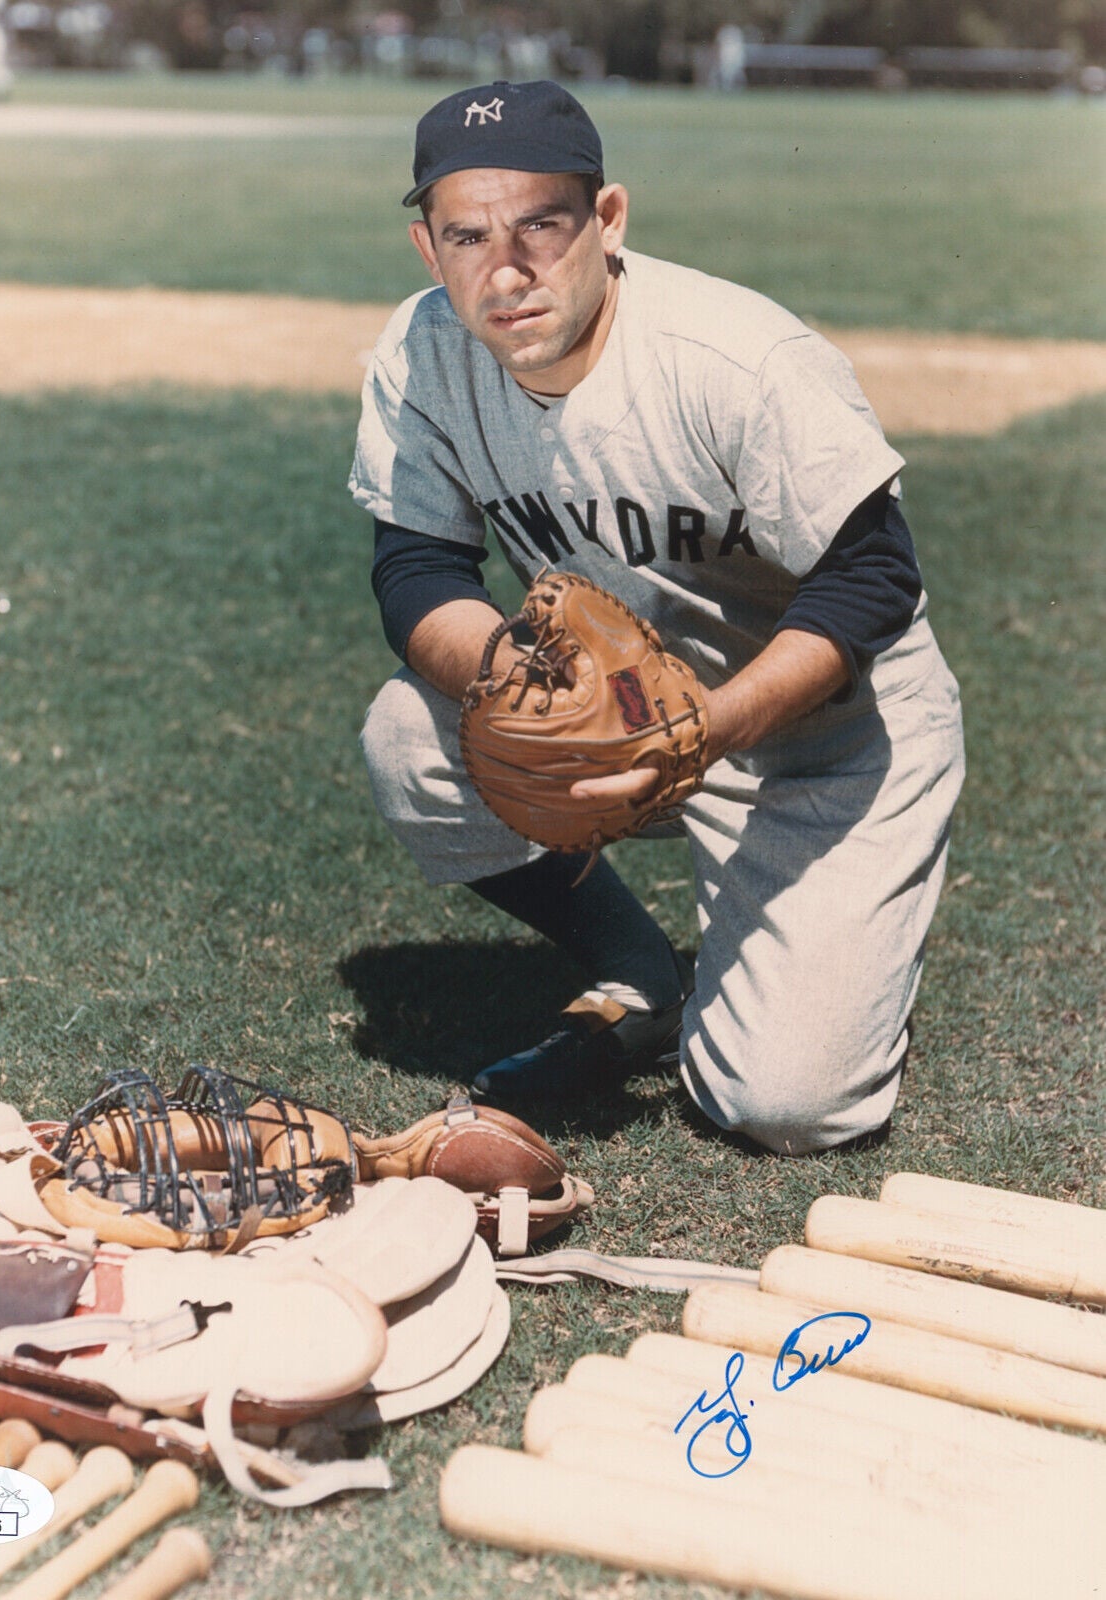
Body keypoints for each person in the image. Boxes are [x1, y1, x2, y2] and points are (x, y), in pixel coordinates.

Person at [349, 80, 964, 1155]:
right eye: (468, 234)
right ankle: (636, 966)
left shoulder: (732, 359)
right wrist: (515, 676)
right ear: (425, 247)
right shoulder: (421, 354)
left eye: (541, 222)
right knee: (410, 733)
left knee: (785, 1106)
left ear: (608, 221)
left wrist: (707, 729)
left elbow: (870, 575)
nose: (507, 266)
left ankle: (819, 962)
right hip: (617, 713)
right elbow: (415, 567)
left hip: (819, 741)